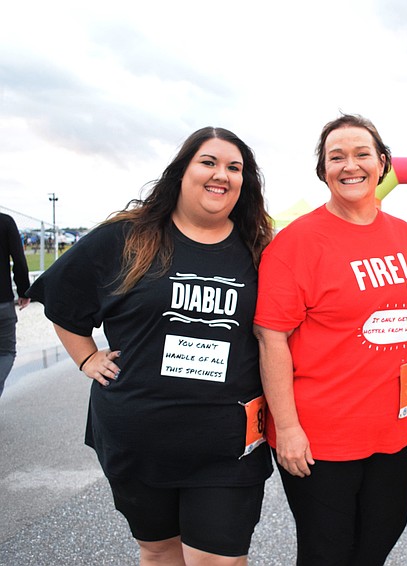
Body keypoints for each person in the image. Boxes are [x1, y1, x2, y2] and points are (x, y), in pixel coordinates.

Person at [27, 127, 275, 565]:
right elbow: (62, 301)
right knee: (159, 551)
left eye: (234, 168)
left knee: (218, 559)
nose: (222, 174)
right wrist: (86, 357)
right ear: (182, 171)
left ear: (244, 182)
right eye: (209, 162)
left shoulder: (259, 249)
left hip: (228, 443)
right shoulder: (128, 237)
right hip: (139, 437)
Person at [254, 114, 407, 565]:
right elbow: (271, 337)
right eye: (336, 157)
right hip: (321, 437)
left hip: (390, 429)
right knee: (327, 551)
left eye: (361, 154)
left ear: (382, 163)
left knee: (385, 530)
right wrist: (288, 428)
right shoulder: (296, 243)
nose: (349, 165)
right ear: (323, 171)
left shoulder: (406, 236)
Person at [0, 212, 30, 398]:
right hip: (2, 301)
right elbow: (18, 259)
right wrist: (24, 291)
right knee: (6, 352)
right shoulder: (5, 222)